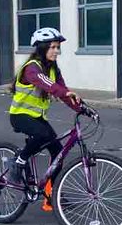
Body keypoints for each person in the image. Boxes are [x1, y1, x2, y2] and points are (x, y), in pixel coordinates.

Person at [8, 27, 81, 182]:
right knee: (42, 134)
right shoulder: (32, 68)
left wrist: (82, 109)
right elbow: (46, 83)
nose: (56, 51)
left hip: (37, 117)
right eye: (52, 47)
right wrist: (62, 92)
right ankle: (19, 161)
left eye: (58, 47)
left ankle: (53, 194)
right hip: (20, 115)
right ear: (42, 48)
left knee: (58, 152)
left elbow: (64, 92)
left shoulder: (54, 69)